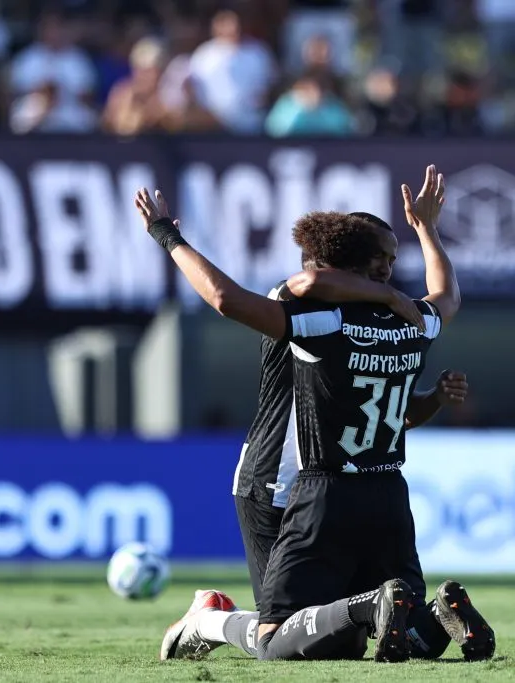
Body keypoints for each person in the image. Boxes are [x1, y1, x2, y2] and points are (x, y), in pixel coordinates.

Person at [135, 169, 494, 663]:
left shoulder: (316, 317)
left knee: (294, 635)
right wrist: (420, 244)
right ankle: (428, 619)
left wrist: (166, 236)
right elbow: (439, 300)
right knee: (364, 628)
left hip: (312, 483)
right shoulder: (406, 318)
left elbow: (233, 298)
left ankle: (208, 620)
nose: (391, 269)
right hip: (318, 480)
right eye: (382, 260)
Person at [231, 201, 469, 616]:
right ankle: (209, 620)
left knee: (335, 631)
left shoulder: (373, 321)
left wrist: (434, 398)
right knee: (285, 628)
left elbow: (390, 420)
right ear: (344, 258)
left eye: (392, 260)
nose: (387, 269)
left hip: (330, 487)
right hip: (275, 480)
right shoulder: (298, 308)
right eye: (377, 257)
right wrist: (391, 294)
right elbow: (306, 282)